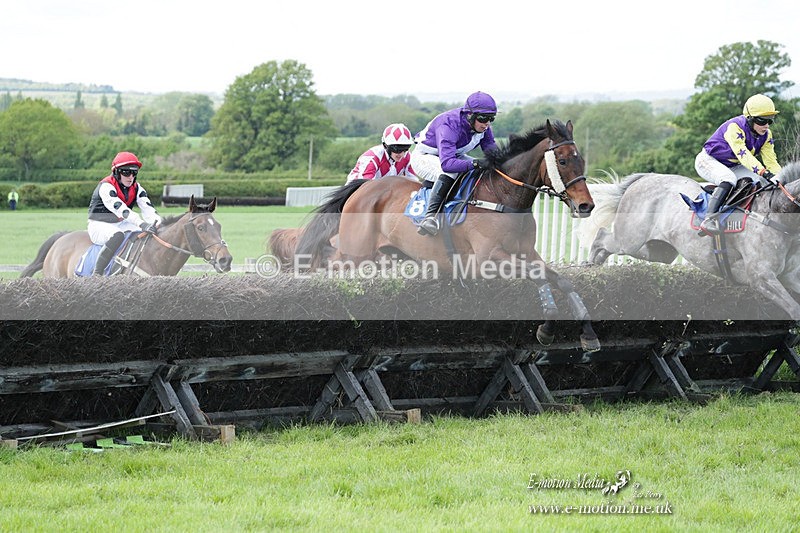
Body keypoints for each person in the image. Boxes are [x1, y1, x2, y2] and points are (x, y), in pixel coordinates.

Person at [411, 91, 498, 236]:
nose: (487, 124)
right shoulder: (449, 125)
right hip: (425, 156)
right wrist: (476, 163)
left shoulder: (483, 127)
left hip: (453, 155)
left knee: (486, 169)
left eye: (491, 119)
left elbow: (493, 154)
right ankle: (430, 217)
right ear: (470, 115)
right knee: (451, 171)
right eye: (483, 118)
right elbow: (447, 164)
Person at [695, 93, 782, 234]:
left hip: (733, 166)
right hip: (708, 160)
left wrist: (781, 177)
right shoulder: (735, 127)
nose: (766, 126)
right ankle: (709, 219)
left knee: (760, 181)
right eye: (761, 121)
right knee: (729, 179)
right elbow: (744, 156)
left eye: (770, 121)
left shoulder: (766, 135)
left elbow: (771, 160)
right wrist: (763, 172)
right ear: (749, 119)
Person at [87, 151, 162, 275]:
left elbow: (148, 208)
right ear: (116, 172)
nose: (131, 177)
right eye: (126, 172)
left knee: (143, 234)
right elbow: (122, 210)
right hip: (98, 225)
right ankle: (97, 273)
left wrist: (159, 224)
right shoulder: (106, 187)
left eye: (134, 173)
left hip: (121, 223)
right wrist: (142, 224)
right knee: (117, 235)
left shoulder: (137, 188)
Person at [345, 123, 417, 184]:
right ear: (385, 145)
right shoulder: (372, 158)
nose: (401, 154)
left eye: (405, 149)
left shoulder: (408, 157)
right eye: (397, 149)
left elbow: (413, 182)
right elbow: (366, 188)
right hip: (356, 191)